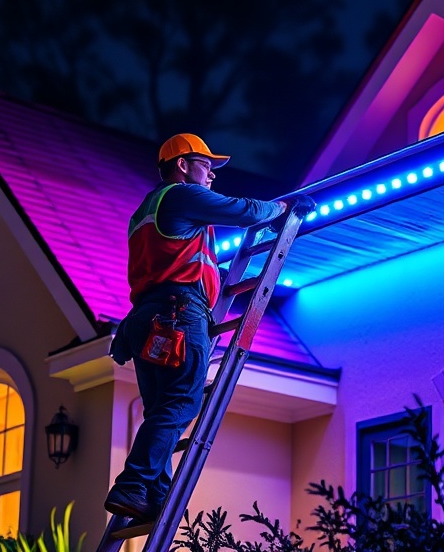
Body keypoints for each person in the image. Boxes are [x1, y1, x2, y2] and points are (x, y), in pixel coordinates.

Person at [105, 133, 313, 538]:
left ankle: (155, 493)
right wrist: (284, 208)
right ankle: (133, 484)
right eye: (207, 165)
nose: (213, 174)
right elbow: (245, 211)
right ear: (182, 165)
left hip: (147, 319)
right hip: (179, 314)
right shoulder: (181, 196)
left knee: (162, 409)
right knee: (182, 403)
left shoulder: (145, 210)